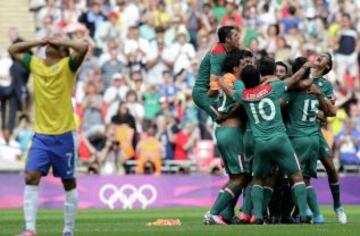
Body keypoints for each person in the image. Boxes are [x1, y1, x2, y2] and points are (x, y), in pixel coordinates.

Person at [9, 37, 88, 236]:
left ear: (63, 53)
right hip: (41, 136)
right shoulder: (36, 64)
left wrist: (62, 39)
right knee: (30, 176)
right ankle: (30, 230)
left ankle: (68, 230)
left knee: (68, 182)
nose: (51, 43)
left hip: (64, 136)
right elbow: (13, 49)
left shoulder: (68, 66)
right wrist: (40, 41)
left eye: (56, 44)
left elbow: (83, 47)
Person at [233, 62, 315, 224]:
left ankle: (257, 215)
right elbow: (294, 79)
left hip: (261, 143)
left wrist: (226, 81)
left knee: (257, 179)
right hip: (280, 139)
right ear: (259, 78)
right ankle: (304, 213)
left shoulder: (243, 95)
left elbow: (232, 90)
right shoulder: (273, 87)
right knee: (296, 176)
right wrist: (305, 67)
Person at [204, 49, 250, 225]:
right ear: (236, 67)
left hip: (224, 131)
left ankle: (227, 214)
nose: (247, 66)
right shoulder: (233, 80)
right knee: (241, 178)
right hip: (231, 132)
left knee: (235, 178)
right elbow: (240, 100)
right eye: (244, 64)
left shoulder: (227, 80)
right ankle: (213, 213)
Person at [283, 57, 326, 224]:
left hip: (298, 138)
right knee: (306, 179)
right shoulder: (314, 88)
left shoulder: (293, 91)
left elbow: (280, 105)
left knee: (295, 177)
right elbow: (329, 111)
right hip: (314, 138)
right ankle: (318, 215)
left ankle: (304, 212)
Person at [311, 52, 347, 224]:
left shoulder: (325, 86)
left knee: (331, 169)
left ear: (326, 66)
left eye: (324, 57)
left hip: (316, 133)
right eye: (320, 54)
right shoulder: (301, 77)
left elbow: (327, 113)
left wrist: (321, 114)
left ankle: (338, 206)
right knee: (303, 175)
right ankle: (305, 212)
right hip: (299, 131)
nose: (320, 56)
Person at [192, 25, 239, 121]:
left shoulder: (226, 49)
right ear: (227, 39)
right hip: (203, 93)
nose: (239, 37)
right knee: (224, 120)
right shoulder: (219, 54)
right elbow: (214, 84)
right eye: (236, 35)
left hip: (213, 92)